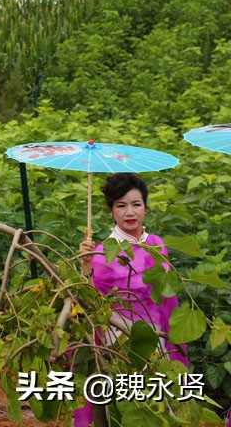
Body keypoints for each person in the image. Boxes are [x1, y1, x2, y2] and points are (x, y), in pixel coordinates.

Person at [75, 173, 186, 427]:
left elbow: (167, 295)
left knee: (156, 405)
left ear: (145, 207)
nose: (129, 212)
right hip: (117, 340)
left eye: (136, 204)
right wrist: (85, 265)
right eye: (121, 205)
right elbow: (91, 299)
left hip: (155, 336)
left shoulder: (157, 245)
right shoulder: (102, 250)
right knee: (122, 405)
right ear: (112, 211)